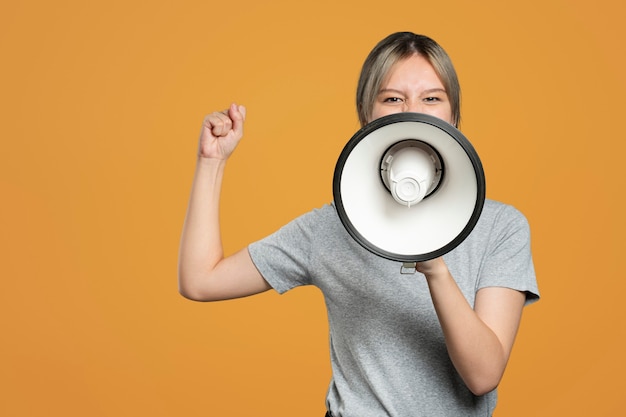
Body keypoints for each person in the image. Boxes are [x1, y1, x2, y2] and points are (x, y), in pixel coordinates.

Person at [178, 32, 539, 416]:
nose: (411, 111)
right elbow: (200, 280)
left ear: (454, 114)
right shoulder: (333, 226)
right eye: (392, 98)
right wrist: (211, 162)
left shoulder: (501, 227)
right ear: (367, 113)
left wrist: (433, 265)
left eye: (431, 98)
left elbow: (483, 376)